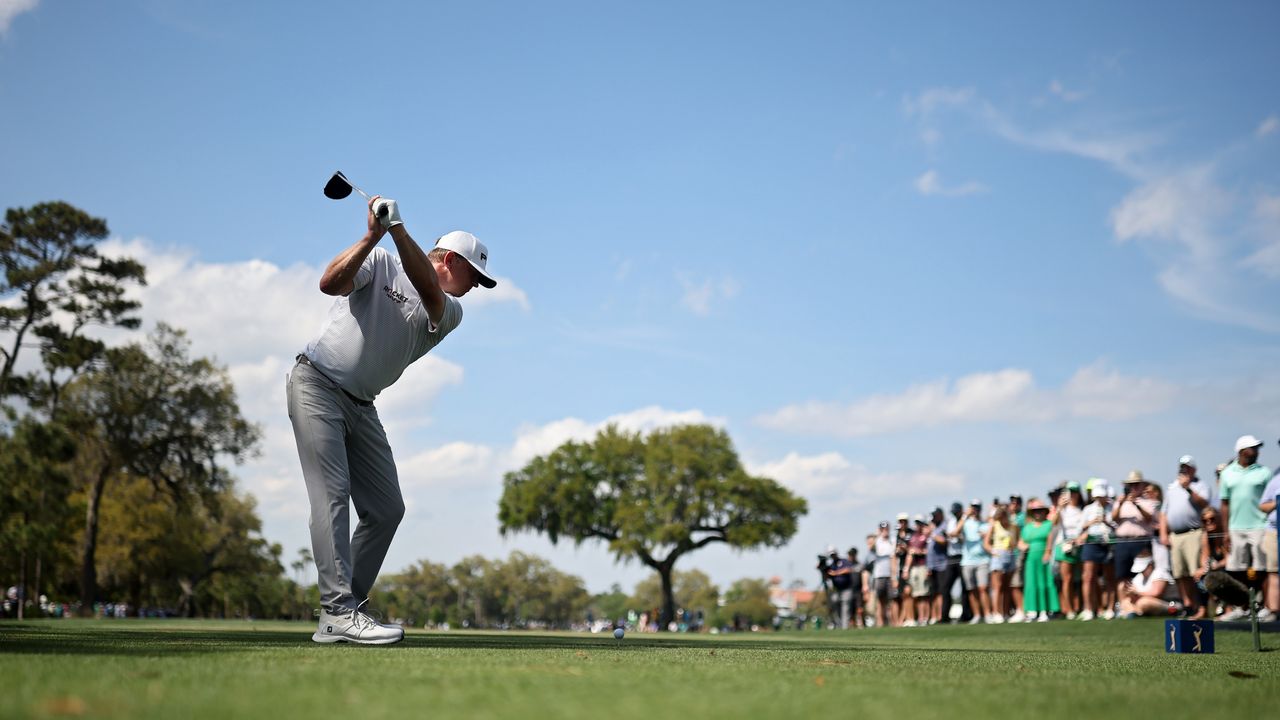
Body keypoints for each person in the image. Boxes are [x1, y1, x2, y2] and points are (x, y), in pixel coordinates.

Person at [289, 196, 497, 645]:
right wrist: (372, 236)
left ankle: (346, 610)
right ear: (452, 260)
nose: (477, 286)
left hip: (362, 404)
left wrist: (398, 229)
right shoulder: (380, 259)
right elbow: (329, 283)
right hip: (316, 384)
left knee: (387, 509)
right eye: (475, 275)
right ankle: (338, 612)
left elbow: (429, 293)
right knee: (332, 495)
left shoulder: (450, 310)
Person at [1219, 435, 1273, 621]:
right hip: (1235, 528)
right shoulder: (1227, 473)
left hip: (1260, 526)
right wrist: (1225, 531)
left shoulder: (1264, 472)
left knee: (1262, 569)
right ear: (1242, 451)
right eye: (1253, 448)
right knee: (1236, 569)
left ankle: (1265, 607)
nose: (1257, 451)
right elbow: (1224, 504)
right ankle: (1242, 607)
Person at [1078, 480, 1115, 621]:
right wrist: (1092, 522)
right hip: (1092, 542)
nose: (1099, 499)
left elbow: (1117, 526)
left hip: (1108, 542)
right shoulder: (1088, 509)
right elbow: (1081, 527)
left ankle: (1110, 608)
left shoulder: (1112, 507)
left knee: (1109, 577)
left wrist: (1106, 521)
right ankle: (1088, 609)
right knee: (1088, 576)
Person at [1112, 471, 1158, 582]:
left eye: (1136, 484)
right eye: (1130, 485)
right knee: (1122, 577)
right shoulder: (1120, 502)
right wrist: (1121, 503)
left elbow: (1149, 518)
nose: (1133, 487)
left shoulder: (1149, 502)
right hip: (1122, 543)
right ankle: (1123, 600)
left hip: (1141, 543)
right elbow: (1114, 518)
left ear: (1142, 486)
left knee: (1144, 575)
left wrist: (1137, 505)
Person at [1020, 498, 1059, 621]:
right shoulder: (1027, 527)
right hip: (1031, 559)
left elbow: (1050, 538)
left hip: (1044, 558)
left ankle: (1045, 610)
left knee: (1044, 583)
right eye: (1035, 511)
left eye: (1040, 510)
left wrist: (1047, 553)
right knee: (1031, 584)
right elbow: (1021, 542)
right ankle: (1032, 610)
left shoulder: (1048, 524)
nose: (1038, 513)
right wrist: (1024, 546)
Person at [1052, 481, 1086, 619]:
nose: (1072, 494)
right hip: (1064, 546)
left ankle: (1080, 607)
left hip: (1078, 547)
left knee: (1079, 579)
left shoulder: (1082, 510)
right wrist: (1059, 507)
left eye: (1074, 491)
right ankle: (1069, 609)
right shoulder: (1063, 510)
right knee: (1067, 579)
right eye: (1069, 492)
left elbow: (1084, 529)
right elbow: (1054, 523)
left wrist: (1079, 539)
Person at [957, 499, 992, 624]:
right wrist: (965, 516)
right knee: (971, 590)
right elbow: (955, 533)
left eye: (977, 507)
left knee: (983, 588)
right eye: (973, 507)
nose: (975, 509)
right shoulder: (965, 523)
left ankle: (987, 614)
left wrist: (986, 536)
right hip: (967, 561)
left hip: (983, 560)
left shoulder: (985, 524)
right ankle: (977, 615)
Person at [939, 502, 972, 623]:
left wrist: (957, 536)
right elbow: (949, 535)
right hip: (951, 557)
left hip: (963, 556)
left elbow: (960, 536)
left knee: (965, 588)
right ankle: (944, 617)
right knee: (945, 588)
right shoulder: (951, 522)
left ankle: (966, 615)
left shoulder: (966, 521)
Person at [984, 504, 1017, 623]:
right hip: (998, 556)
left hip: (1010, 555)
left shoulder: (1014, 526)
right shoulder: (994, 525)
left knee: (1007, 586)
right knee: (997, 586)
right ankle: (996, 613)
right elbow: (986, 543)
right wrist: (993, 551)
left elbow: (1016, 541)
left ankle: (1005, 612)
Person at [1194, 507, 1228, 620]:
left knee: (1224, 575)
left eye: (1212, 519)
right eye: (1205, 521)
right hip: (1214, 567)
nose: (1209, 523)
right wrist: (1204, 569)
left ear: (1218, 519)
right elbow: (1205, 558)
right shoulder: (1205, 536)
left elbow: (1229, 559)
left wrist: (1215, 566)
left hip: (1226, 568)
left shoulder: (1225, 534)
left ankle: (1228, 609)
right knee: (1199, 577)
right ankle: (1203, 610)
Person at [1120, 550, 1175, 617]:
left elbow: (1157, 593)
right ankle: (1134, 613)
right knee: (1126, 602)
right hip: (1144, 602)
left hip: (1170, 604)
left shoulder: (1159, 573)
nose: (1142, 572)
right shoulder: (1139, 577)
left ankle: (1135, 612)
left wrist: (1137, 592)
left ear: (1150, 565)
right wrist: (1131, 594)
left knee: (1144, 602)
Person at [1260, 455, 1279, 617]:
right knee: (1273, 571)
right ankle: (1274, 611)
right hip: (1274, 531)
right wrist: (1277, 503)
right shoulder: (1276, 480)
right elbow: (1263, 505)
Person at [905, 515, 932, 626]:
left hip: (923, 566)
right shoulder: (913, 537)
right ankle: (920, 618)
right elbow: (910, 554)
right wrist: (906, 569)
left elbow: (929, 552)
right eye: (917, 523)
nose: (918, 526)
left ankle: (926, 617)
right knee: (917, 594)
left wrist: (920, 552)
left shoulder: (926, 536)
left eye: (920, 523)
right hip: (914, 568)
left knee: (924, 594)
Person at [925, 506, 950, 625]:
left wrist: (932, 534)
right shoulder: (932, 528)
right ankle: (934, 616)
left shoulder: (944, 526)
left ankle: (941, 615)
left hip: (942, 564)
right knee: (933, 592)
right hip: (932, 566)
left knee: (941, 591)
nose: (933, 518)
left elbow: (944, 542)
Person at [824, 545, 854, 629]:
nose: (833, 556)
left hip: (846, 589)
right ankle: (838, 625)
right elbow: (827, 577)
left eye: (833, 554)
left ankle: (844, 628)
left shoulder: (844, 561)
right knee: (835, 607)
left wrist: (836, 573)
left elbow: (849, 569)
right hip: (837, 590)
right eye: (831, 555)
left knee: (845, 609)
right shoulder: (831, 565)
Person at [871, 523, 894, 628]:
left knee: (891, 600)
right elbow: (871, 547)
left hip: (890, 575)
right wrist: (877, 534)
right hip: (879, 575)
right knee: (880, 600)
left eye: (886, 528)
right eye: (882, 529)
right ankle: (880, 622)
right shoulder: (877, 541)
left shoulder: (892, 540)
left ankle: (892, 622)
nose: (885, 530)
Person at [1007, 494, 1026, 615]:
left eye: (1016, 503)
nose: (1013, 505)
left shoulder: (1022, 517)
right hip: (1009, 554)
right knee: (1012, 584)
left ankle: (1021, 610)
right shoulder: (1008, 517)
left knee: (1016, 583)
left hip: (1019, 553)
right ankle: (1018, 609)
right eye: (1012, 502)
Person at [846, 547, 866, 629]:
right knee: (851, 610)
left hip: (858, 590)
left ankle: (861, 624)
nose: (850, 556)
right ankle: (852, 625)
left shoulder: (860, 565)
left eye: (852, 555)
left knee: (859, 608)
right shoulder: (846, 565)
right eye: (850, 555)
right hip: (849, 590)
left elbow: (864, 576)